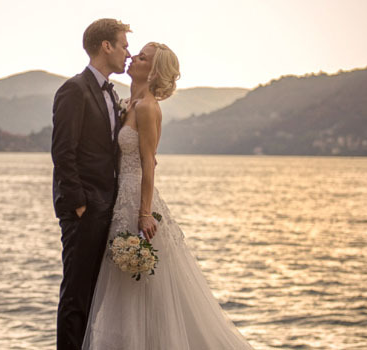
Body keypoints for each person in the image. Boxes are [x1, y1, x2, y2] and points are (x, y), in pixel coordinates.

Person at [82, 42, 254, 349]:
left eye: (143, 57)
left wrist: (144, 212)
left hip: (136, 201)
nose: (134, 57)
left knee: (143, 289)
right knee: (121, 291)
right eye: (137, 53)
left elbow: (149, 162)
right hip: (120, 199)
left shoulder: (148, 107)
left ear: (154, 71)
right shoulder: (129, 103)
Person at [50, 18, 131, 350]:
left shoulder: (111, 93)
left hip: (107, 208)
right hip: (85, 211)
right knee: (76, 296)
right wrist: (79, 204)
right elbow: (63, 150)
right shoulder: (74, 89)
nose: (128, 53)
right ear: (106, 46)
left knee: (96, 297)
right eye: (124, 45)